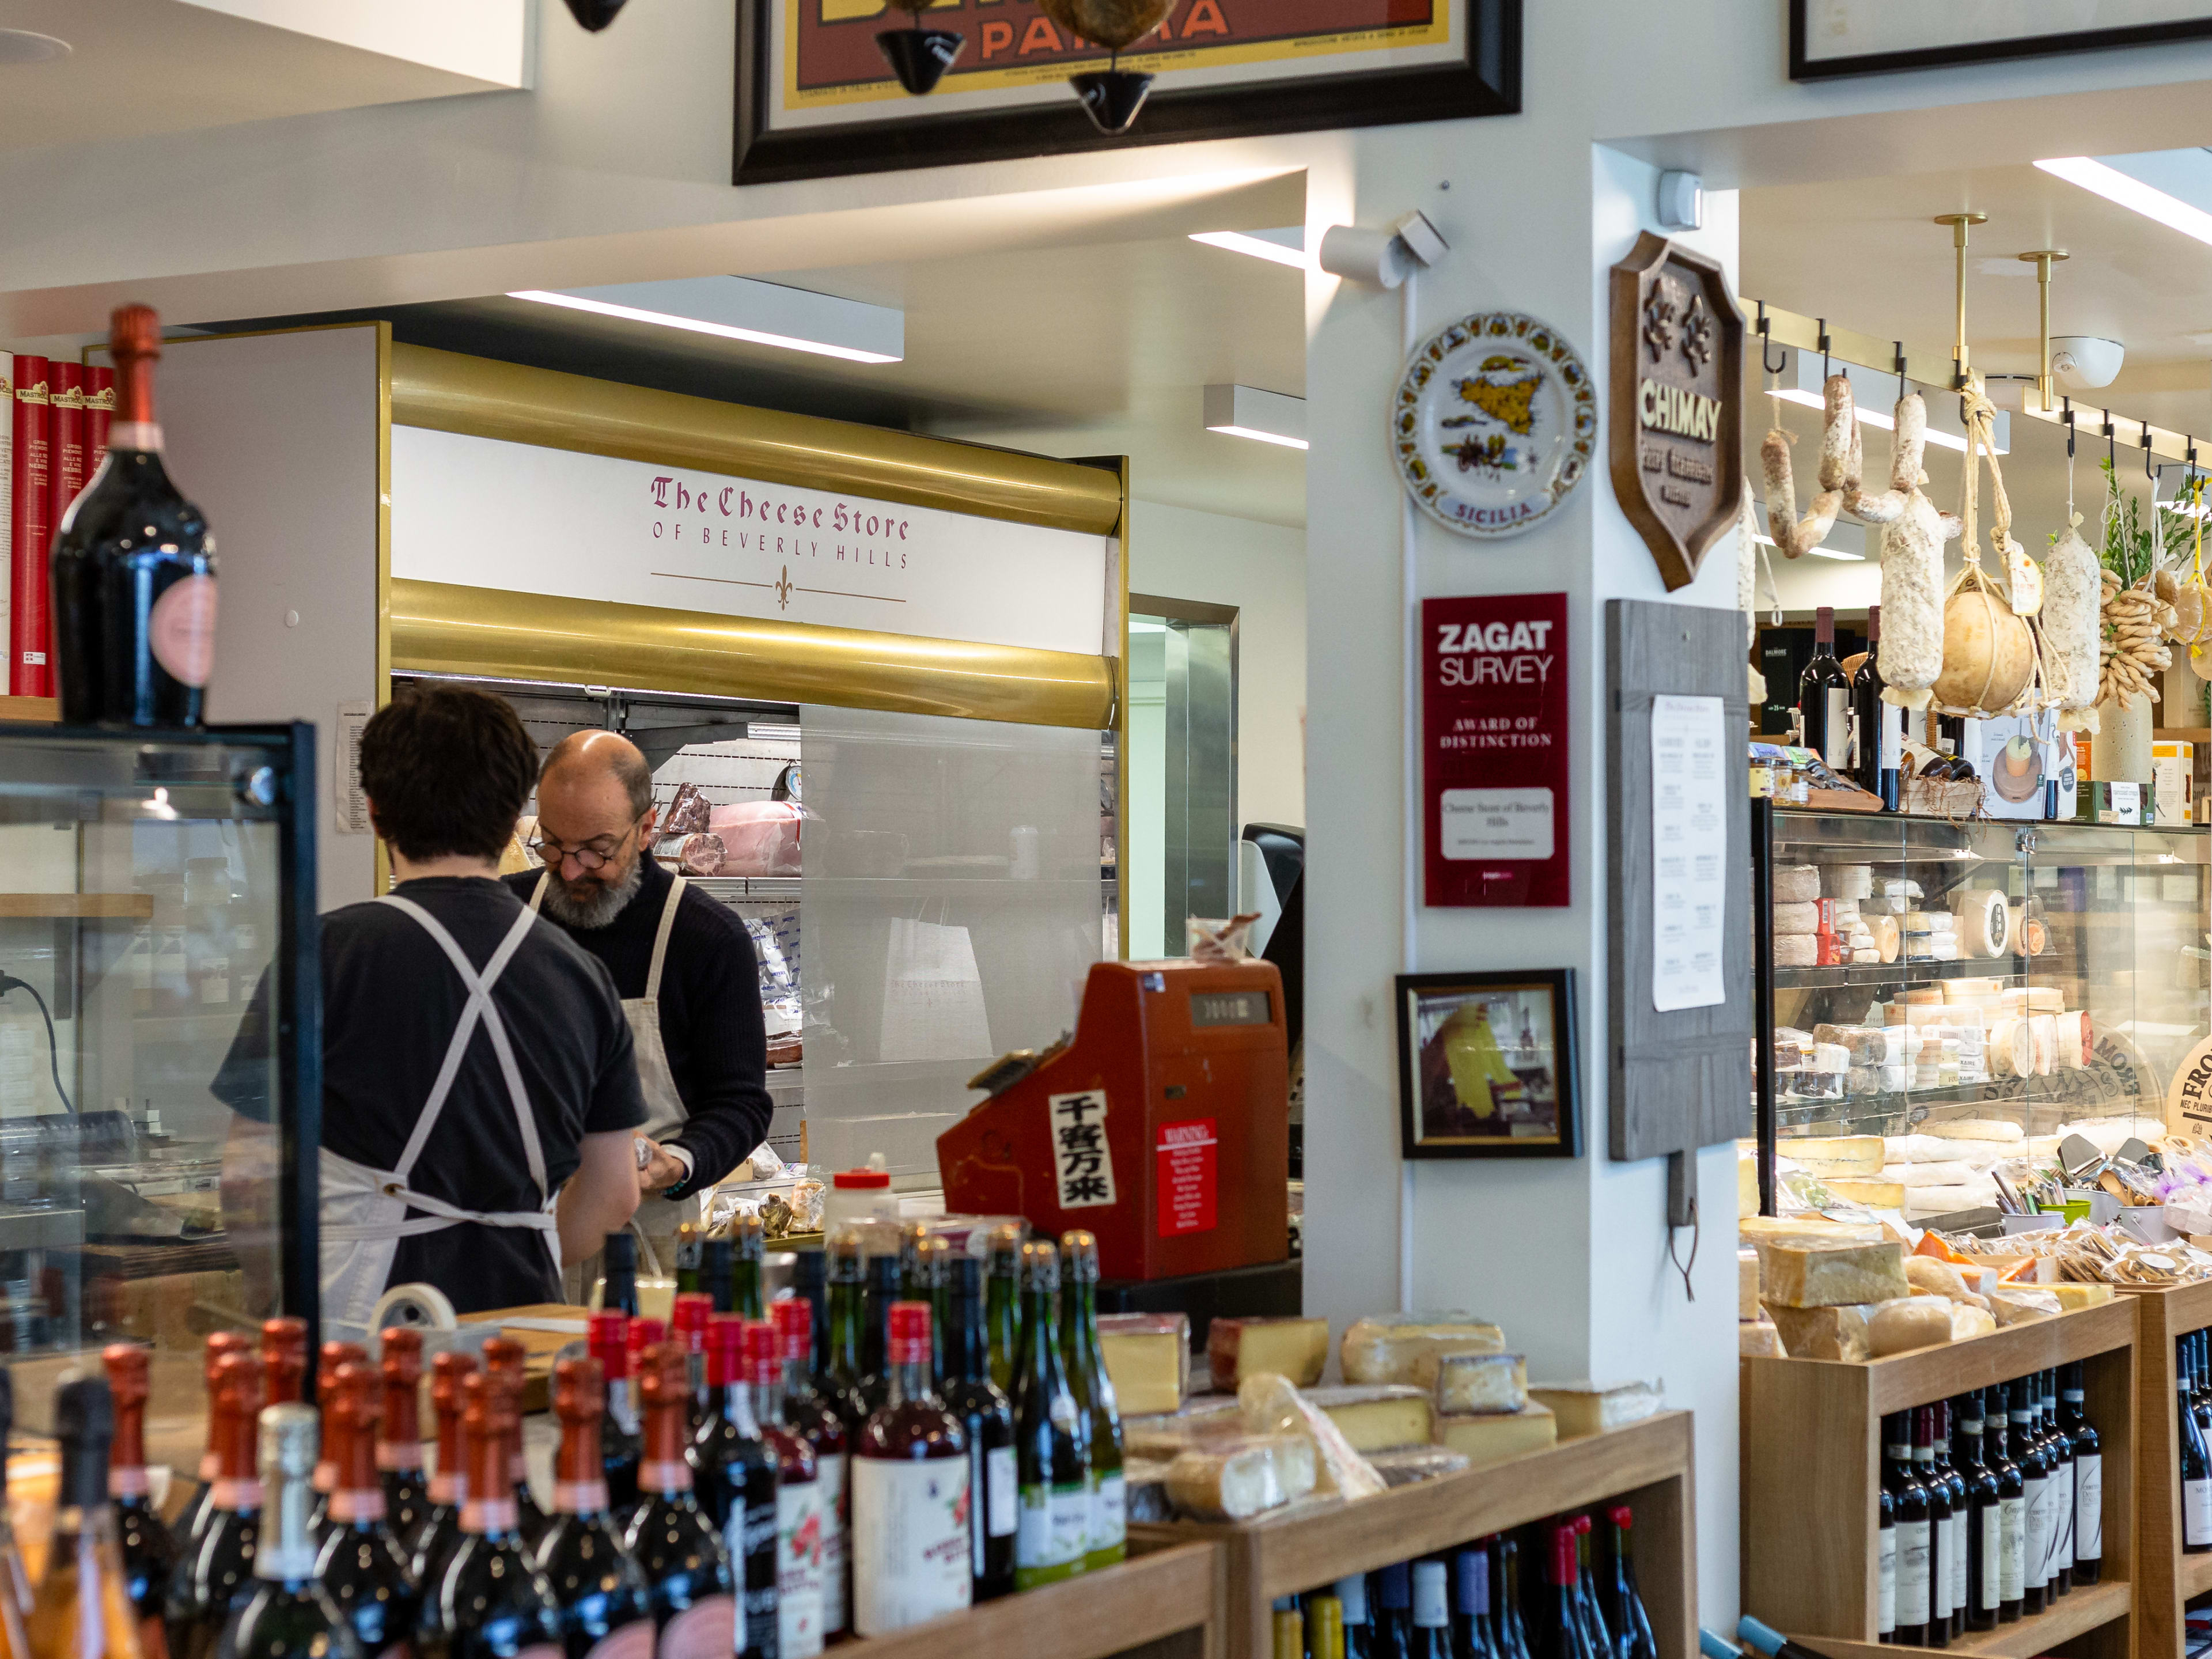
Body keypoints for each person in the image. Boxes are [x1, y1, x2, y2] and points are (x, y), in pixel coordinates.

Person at [214, 685, 643, 1321]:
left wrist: (266, 1299)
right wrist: (518, 1241)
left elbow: (249, 1179)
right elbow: (613, 1195)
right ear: (512, 819)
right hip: (523, 1330)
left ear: (376, 812)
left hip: (361, 1331)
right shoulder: (582, 976)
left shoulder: (324, 953)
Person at [507, 730, 772, 1264]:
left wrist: (677, 1162)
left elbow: (740, 1102)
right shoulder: (507, 919)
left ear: (647, 828)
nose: (571, 869)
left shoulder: (707, 939)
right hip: (517, 1236)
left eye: (597, 851)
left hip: (647, 1245)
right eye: (554, 844)